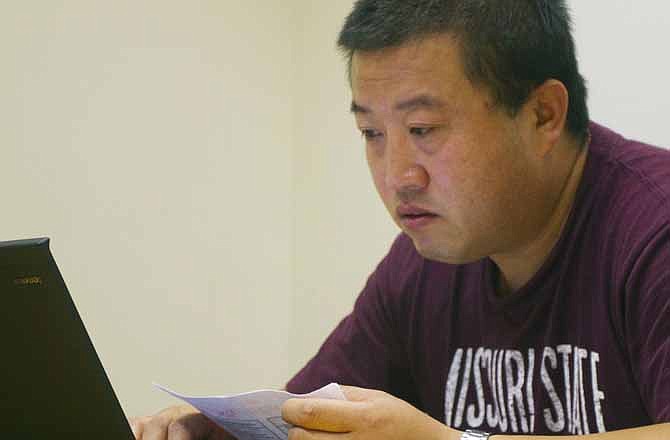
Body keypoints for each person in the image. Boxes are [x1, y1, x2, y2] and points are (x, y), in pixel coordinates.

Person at [131, 1, 670, 439]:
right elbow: (310, 414)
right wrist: (223, 432)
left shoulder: (653, 226)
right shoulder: (425, 261)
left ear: (542, 114)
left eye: (423, 128)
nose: (398, 177)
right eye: (372, 134)